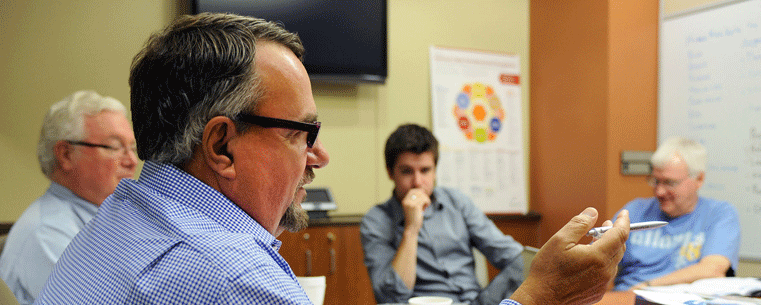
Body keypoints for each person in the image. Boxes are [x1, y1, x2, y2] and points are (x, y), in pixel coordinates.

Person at [35, 13, 630, 305]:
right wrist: (538, 299)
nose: (319, 155)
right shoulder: (229, 274)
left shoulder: (117, 218)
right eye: (303, 132)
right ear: (221, 146)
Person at [361, 124, 524, 305]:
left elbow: (511, 255)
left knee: (529, 266)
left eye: (425, 170)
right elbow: (390, 297)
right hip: (424, 303)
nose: (417, 182)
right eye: (407, 171)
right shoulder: (376, 220)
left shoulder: (457, 202)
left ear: (435, 170)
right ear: (390, 172)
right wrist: (411, 229)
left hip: (478, 301)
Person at [0, 90, 138, 304]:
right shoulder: (46, 234)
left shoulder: (112, 216)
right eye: (115, 147)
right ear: (66, 154)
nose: (131, 161)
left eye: (132, 148)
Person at [613, 137, 740, 291]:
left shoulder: (720, 214)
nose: (659, 191)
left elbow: (713, 270)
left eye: (669, 183)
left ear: (699, 179)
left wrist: (646, 287)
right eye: (655, 181)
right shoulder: (635, 210)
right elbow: (597, 262)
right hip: (628, 297)